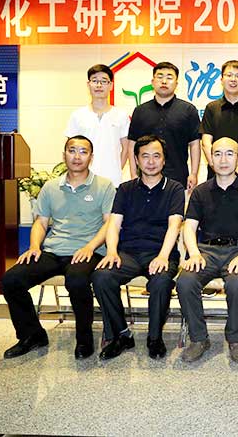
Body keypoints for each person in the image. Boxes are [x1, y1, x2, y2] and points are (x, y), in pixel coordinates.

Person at [2, 136, 115, 360]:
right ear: (64, 155)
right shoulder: (51, 187)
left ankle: (84, 339)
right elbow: (41, 222)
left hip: (88, 251)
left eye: (83, 151)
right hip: (53, 251)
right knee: (11, 280)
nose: (77, 156)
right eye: (72, 150)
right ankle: (32, 335)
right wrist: (34, 246)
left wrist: (90, 247)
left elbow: (109, 223)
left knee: (77, 280)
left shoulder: (104, 186)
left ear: (91, 158)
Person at [91, 135, 184, 360]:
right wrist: (112, 252)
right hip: (129, 253)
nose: (151, 162)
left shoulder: (175, 189)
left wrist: (163, 256)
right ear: (136, 159)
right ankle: (122, 335)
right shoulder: (125, 189)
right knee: (101, 276)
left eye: (156, 156)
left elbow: (174, 226)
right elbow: (114, 224)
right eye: (145, 156)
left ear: (164, 160)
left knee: (161, 282)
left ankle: (155, 338)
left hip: (160, 252)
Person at [176, 137, 238, 364]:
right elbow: (189, 227)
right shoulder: (201, 191)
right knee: (185, 281)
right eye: (217, 154)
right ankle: (199, 339)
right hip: (206, 251)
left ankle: (235, 339)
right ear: (211, 160)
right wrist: (194, 253)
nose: (223, 160)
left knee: (237, 284)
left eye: (229, 154)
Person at [127, 61, 201, 191]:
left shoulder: (188, 110)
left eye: (169, 77)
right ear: (153, 82)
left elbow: (194, 144)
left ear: (176, 83)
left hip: (178, 177)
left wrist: (194, 173)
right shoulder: (140, 111)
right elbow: (132, 143)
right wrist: (133, 173)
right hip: (145, 177)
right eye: (160, 77)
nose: (164, 81)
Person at [64, 64, 132, 187]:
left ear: (111, 85)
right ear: (88, 84)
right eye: (94, 81)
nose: (99, 85)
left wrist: (116, 169)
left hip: (113, 181)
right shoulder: (77, 115)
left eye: (104, 81)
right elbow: (71, 149)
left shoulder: (121, 115)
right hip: (83, 181)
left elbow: (126, 149)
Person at [200, 60, 238, 183]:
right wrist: (218, 169)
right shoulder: (211, 108)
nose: (233, 79)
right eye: (229, 75)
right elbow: (206, 142)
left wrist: (237, 172)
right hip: (215, 177)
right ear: (221, 79)